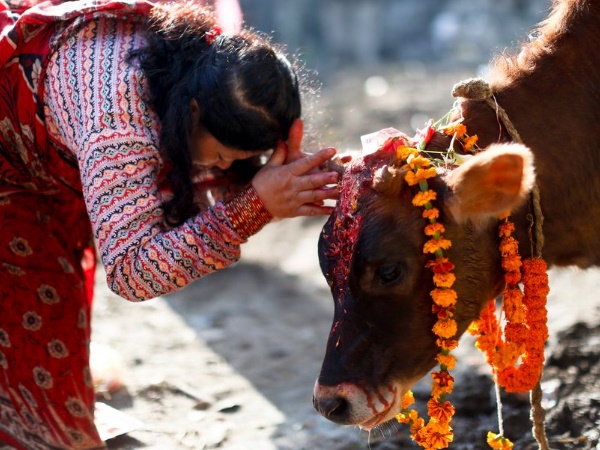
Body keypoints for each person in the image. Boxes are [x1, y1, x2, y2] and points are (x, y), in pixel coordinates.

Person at [0, 0, 339, 448]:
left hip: (38, 167)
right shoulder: (118, 123)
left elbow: (194, 176)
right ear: (192, 111)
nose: (222, 168)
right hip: (12, 180)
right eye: (222, 156)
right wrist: (252, 208)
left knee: (48, 354)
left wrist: (282, 180)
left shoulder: (200, 60)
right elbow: (132, 270)